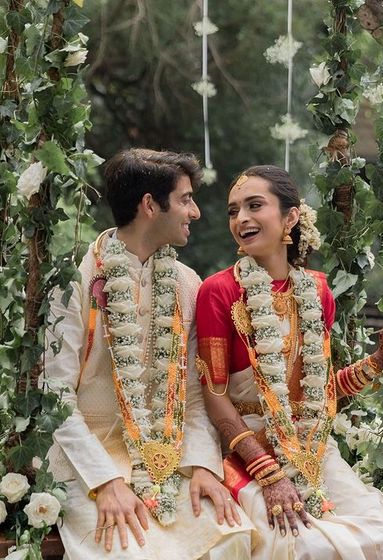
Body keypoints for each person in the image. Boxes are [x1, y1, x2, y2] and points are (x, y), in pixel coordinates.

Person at [43, 148, 256, 560]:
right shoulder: (74, 281)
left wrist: (202, 467)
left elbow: (194, 396)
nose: (194, 212)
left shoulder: (185, 283)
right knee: (129, 551)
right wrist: (105, 481)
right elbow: (56, 397)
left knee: (232, 536)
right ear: (149, 205)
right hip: (87, 461)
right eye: (185, 199)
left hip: (168, 457)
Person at [196, 165, 383, 560]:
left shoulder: (318, 291)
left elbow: (318, 390)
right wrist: (268, 474)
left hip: (310, 447)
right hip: (245, 451)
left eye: (255, 205)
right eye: (233, 210)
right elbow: (215, 396)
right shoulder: (218, 291)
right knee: (301, 545)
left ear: (290, 217)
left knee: (379, 528)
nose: (241, 219)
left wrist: (376, 362)